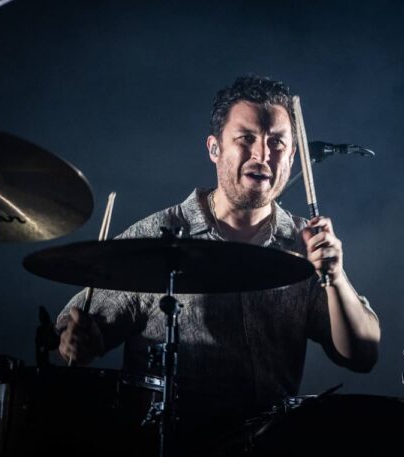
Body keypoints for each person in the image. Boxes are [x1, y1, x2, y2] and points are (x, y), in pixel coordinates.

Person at [55, 75, 381, 452]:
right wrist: (78, 341)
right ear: (214, 148)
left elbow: (362, 356)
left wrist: (335, 277)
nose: (262, 154)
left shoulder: (304, 244)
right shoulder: (155, 237)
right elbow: (71, 336)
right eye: (246, 138)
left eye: (277, 142)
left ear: (293, 157)